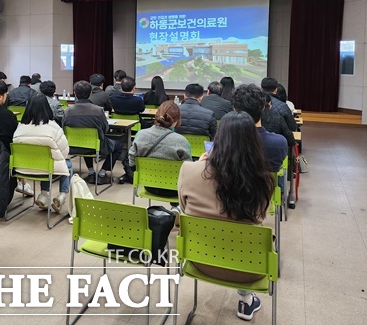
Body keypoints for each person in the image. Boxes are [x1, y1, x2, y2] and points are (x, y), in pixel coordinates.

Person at [178, 111, 274, 321]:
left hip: (199, 259)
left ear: (218, 138)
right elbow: (259, 218)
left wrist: (200, 164)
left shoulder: (189, 170)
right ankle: (247, 300)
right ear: (253, 141)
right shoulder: (264, 180)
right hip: (250, 268)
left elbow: (184, 208)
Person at [13, 93, 73, 212]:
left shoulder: (19, 127)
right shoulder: (54, 127)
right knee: (67, 165)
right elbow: (65, 152)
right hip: (47, 169)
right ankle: (62, 195)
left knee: (45, 163)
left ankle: (44, 195)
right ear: (47, 107)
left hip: (22, 169)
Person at [63, 80, 123, 184]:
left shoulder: (67, 111)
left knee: (84, 140)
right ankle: (102, 173)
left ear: (75, 93)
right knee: (118, 145)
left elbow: (63, 129)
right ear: (90, 93)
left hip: (73, 147)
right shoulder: (98, 110)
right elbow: (105, 129)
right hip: (96, 146)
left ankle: (91, 172)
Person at [120, 100, 192, 186]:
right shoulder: (182, 141)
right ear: (176, 121)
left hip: (147, 183)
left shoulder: (140, 135)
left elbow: (131, 162)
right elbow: (188, 170)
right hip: (174, 187)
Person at [232, 84, 287, 173]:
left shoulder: (225, 141)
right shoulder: (279, 143)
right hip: (267, 186)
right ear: (263, 107)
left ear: (234, 109)